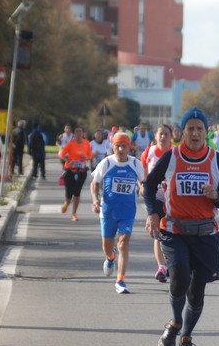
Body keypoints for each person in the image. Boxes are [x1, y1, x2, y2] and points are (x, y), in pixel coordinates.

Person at [144, 107, 219, 346]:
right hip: (174, 230)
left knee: (197, 292)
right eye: (190, 128)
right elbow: (150, 186)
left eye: (200, 129)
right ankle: (174, 322)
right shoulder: (171, 157)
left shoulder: (217, 161)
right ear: (183, 132)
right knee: (180, 276)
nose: (195, 133)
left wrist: (217, 196)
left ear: (206, 132)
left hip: (205, 233)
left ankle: (185, 337)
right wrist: (153, 213)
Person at [91, 132, 144, 294]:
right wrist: (95, 199)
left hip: (127, 212)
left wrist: (142, 189)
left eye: (124, 146)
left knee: (123, 243)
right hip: (108, 211)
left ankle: (120, 279)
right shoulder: (106, 163)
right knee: (107, 247)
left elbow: (143, 182)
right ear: (112, 147)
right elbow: (95, 183)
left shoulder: (136, 164)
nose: (120, 149)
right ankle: (110, 257)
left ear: (130, 147)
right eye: (117, 146)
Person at [140, 123, 172, 283]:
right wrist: (142, 185)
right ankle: (161, 267)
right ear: (155, 136)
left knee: (173, 233)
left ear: (171, 137)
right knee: (157, 232)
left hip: (173, 200)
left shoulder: (176, 153)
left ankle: (173, 264)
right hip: (156, 198)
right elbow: (143, 170)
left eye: (166, 134)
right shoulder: (149, 152)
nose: (163, 137)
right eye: (161, 134)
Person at [59, 124, 93, 221]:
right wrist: (68, 161)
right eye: (76, 131)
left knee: (77, 192)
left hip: (81, 171)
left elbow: (90, 156)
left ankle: (74, 213)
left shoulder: (86, 143)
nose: (78, 133)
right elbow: (62, 154)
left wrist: (85, 158)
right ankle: (66, 203)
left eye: (80, 131)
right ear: (74, 134)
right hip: (69, 170)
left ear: (83, 133)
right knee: (69, 193)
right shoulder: (70, 144)